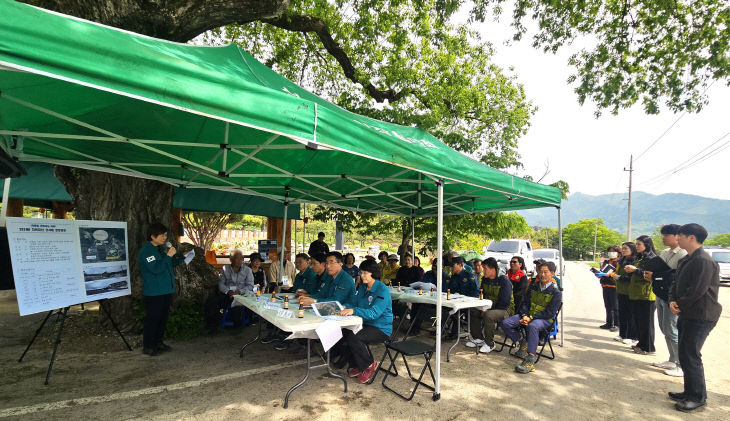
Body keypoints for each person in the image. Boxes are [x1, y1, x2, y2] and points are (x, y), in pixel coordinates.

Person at [667, 223, 722, 413]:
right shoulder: (687, 259)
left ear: (691, 237)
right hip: (687, 312)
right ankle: (689, 391)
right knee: (684, 354)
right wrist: (673, 300)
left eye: (680, 235)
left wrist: (679, 304)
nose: (677, 238)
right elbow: (676, 283)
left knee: (691, 355)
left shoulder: (703, 261)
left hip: (701, 315)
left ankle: (698, 398)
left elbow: (697, 290)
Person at [333, 259, 393, 384]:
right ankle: (358, 365)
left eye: (365, 273)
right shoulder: (363, 287)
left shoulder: (382, 289)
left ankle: (369, 365)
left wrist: (353, 310)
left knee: (354, 338)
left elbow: (374, 313)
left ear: (373, 273)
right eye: (361, 272)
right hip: (364, 324)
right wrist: (345, 307)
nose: (362, 275)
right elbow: (354, 303)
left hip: (381, 328)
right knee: (341, 335)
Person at [502, 260, 562, 374]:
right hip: (528, 316)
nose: (542, 274)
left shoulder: (556, 292)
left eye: (546, 272)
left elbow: (549, 313)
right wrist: (525, 315)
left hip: (544, 320)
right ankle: (522, 341)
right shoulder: (533, 286)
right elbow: (525, 303)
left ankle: (530, 360)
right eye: (540, 272)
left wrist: (530, 317)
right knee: (506, 323)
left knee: (533, 326)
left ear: (552, 274)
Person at [645, 224, 687, 377]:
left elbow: (675, 277)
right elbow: (657, 269)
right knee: (664, 328)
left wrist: (657, 274)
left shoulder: (683, 254)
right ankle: (672, 359)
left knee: (672, 330)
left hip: (672, 297)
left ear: (677, 236)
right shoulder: (665, 252)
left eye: (666, 235)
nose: (663, 238)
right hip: (660, 294)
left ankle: (680, 365)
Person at [138, 222, 183, 356]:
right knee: (153, 319)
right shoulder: (147, 251)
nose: (165, 238)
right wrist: (168, 256)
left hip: (165, 290)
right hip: (154, 292)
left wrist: (181, 259)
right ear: (152, 236)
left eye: (165, 235)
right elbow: (156, 269)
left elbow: (167, 265)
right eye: (162, 235)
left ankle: (158, 342)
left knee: (162, 318)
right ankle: (148, 346)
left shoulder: (159, 249)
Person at [466, 257, 513, 353]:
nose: (483, 271)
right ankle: (478, 338)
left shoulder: (504, 280)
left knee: (489, 315)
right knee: (473, 310)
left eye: (485, 268)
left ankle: (490, 343)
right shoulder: (485, 279)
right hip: (489, 307)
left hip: (505, 309)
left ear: (493, 269)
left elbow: (504, 302)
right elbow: (482, 295)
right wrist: (482, 307)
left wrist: (487, 310)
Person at [204, 249, 254, 332]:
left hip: (241, 294)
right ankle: (212, 326)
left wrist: (239, 291)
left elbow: (250, 285)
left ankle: (237, 327)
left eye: (241, 258)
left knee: (238, 304)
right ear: (231, 259)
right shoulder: (225, 268)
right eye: (236, 258)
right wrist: (228, 291)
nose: (239, 260)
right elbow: (221, 284)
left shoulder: (247, 270)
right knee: (211, 302)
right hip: (228, 294)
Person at [624, 235, 658, 355]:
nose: (636, 246)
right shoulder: (640, 258)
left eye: (639, 244)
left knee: (647, 323)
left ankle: (648, 348)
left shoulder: (652, 258)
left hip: (646, 295)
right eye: (636, 244)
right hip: (637, 294)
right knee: (639, 322)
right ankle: (641, 344)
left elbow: (650, 275)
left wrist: (635, 270)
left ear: (647, 245)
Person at [611, 242, 638, 345]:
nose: (623, 250)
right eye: (623, 249)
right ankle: (622, 334)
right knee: (622, 314)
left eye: (626, 249)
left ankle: (632, 336)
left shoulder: (634, 262)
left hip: (630, 291)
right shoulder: (622, 260)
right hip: (621, 290)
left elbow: (632, 277)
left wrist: (620, 278)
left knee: (631, 315)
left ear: (632, 249)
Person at [594, 246, 620, 331]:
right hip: (605, 286)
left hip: (613, 286)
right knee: (608, 306)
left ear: (617, 252)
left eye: (613, 251)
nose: (611, 253)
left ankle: (617, 324)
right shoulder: (606, 262)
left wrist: (607, 275)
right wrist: (599, 273)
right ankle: (609, 323)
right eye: (609, 251)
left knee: (615, 307)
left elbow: (616, 273)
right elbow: (602, 271)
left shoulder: (618, 262)